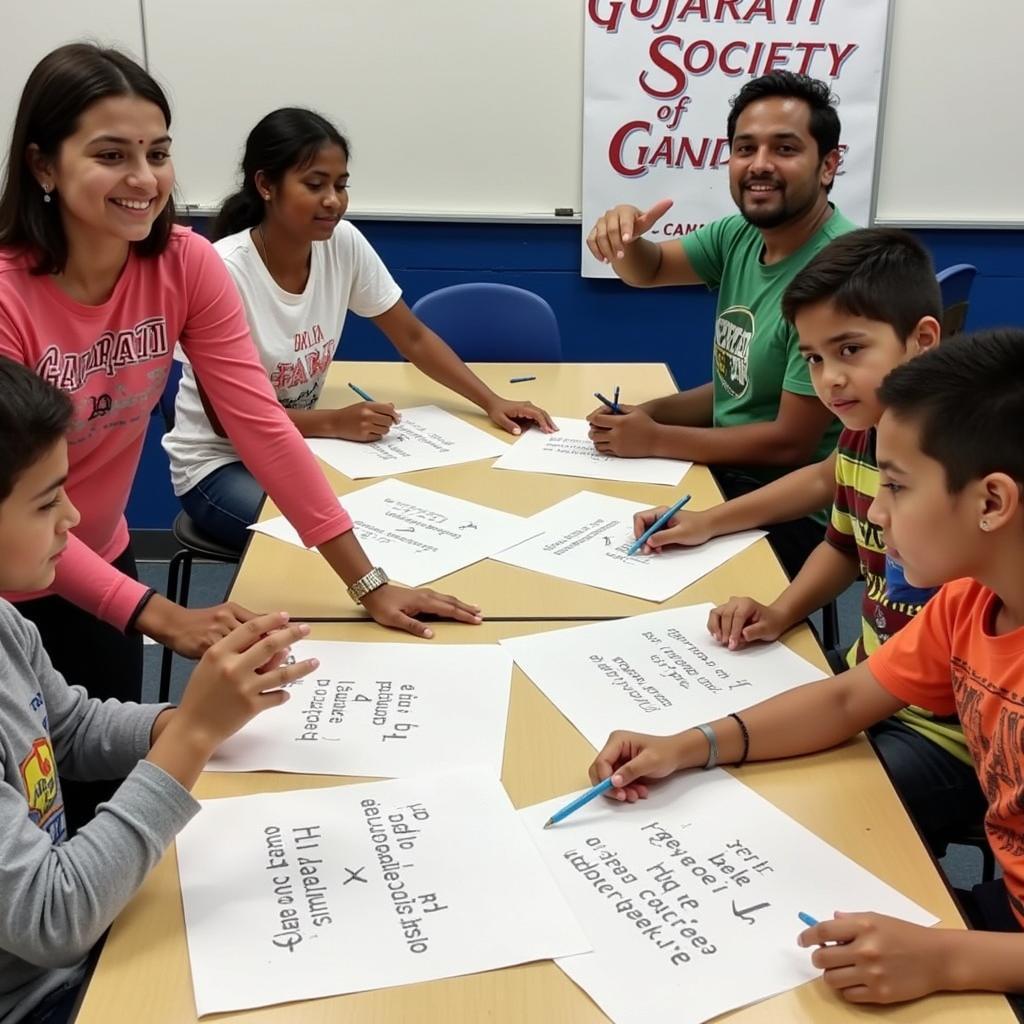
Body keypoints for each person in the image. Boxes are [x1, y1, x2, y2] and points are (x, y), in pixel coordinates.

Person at [0, 45, 483, 708]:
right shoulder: (8, 299)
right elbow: (11, 500)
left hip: (101, 557)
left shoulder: (184, 266)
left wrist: (368, 584)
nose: (143, 178)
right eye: (111, 155)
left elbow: (263, 429)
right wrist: (164, 616)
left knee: (98, 780)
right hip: (12, 579)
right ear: (43, 164)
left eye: (158, 153)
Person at [589, 328, 1024, 1009]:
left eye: (898, 488)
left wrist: (949, 956)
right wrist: (691, 745)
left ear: (991, 502)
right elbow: (846, 701)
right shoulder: (972, 603)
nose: (874, 512)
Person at [630, 229, 982, 855]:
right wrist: (781, 610)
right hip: (873, 686)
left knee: (791, 818)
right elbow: (844, 546)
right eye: (814, 358)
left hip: (946, 734)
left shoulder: (957, 483)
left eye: (850, 349)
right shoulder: (861, 438)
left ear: (923, 340)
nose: (830, 378)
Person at [0, 355, 318, 1024]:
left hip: (70, 959)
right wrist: (195, 735)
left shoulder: (5, 622)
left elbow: (71, 728)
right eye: (46, 498)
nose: (73, 516)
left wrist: (179, 721)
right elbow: (51, 917)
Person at [162, 107, 556, 551]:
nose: (333, 199)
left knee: (397, 525)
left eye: (341, 184)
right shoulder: (223, 270)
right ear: (266, 185)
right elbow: (226, 422)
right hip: (220, 466)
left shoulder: (342, 243)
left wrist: (492, 400)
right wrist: (332, 422)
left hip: (297, 446)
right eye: (315, 185)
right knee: (334, 541)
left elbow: (414, 337)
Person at [585, 71, 856, 579]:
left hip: (792, 511)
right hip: (726, 474)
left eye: (785, 149)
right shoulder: (741, 235)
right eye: (744, 147)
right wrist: (625, 238)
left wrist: (655, 437)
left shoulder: (838, 276)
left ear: (829, 165)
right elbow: (651, 270)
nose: (759, 165)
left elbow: (789, 443)